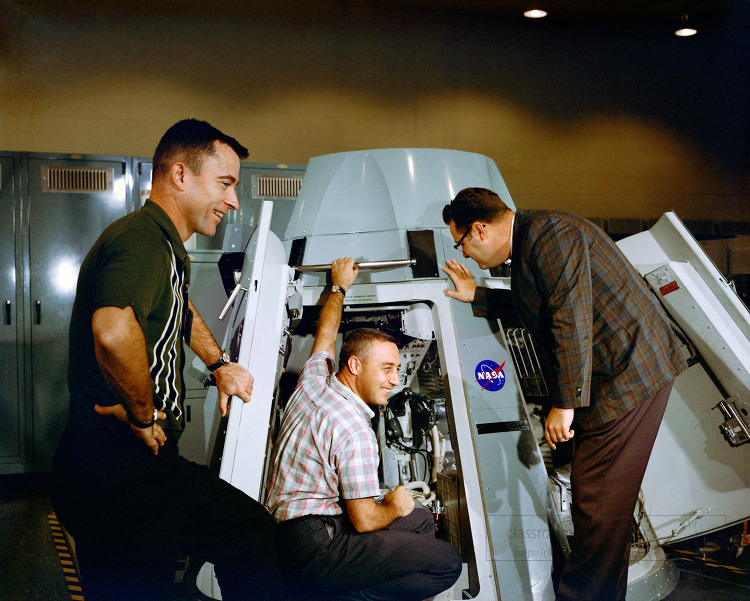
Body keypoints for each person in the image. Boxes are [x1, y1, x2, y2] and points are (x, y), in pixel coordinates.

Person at [51, 119, 282, 601]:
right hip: (118, 469)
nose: (233, 200)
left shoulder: (164, 247)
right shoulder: (141, 239)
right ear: (180, 175)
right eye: (225, 183)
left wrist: (218, 365)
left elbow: (176, 306)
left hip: (124, 467)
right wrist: (141, 413)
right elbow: (113, 329)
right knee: (254, 536)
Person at [441, 187, 687, 601]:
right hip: (613, 373)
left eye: (460, 242)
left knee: (596, 501)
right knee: (596, 501)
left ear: (480, 229)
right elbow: (537, 304)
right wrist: (477, 296)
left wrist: (564, 405)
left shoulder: (550, 233)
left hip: (629, 372)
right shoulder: (533, 241)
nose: (463, 254)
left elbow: (569, 317)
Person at [265, 257, 462, 601]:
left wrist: (339, 287)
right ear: (355, 365)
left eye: (397, 369)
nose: (395, 380)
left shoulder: (315, 380)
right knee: (446, 563)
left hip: (294, 532)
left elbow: (327, 333)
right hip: (315, 549)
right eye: (386, 368)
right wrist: (395, 505)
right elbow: (366, 521)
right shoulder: (355, 430)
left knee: (421, 522)